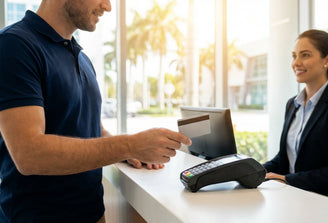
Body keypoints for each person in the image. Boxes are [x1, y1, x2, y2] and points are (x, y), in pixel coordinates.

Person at [0, 0, 191, 222]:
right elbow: (29, 154)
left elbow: (94, 131)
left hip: (92, 214)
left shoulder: (81, 58)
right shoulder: (14, 45)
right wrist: (128, 145)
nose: (107, 6)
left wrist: (135, 150)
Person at [263, 29, 328, 205]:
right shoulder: (292, 104)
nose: (296, 63)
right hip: (295, 198)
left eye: (305, 55)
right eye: (294, 56)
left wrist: (289, 180)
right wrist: (252, 171)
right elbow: (285, 158)